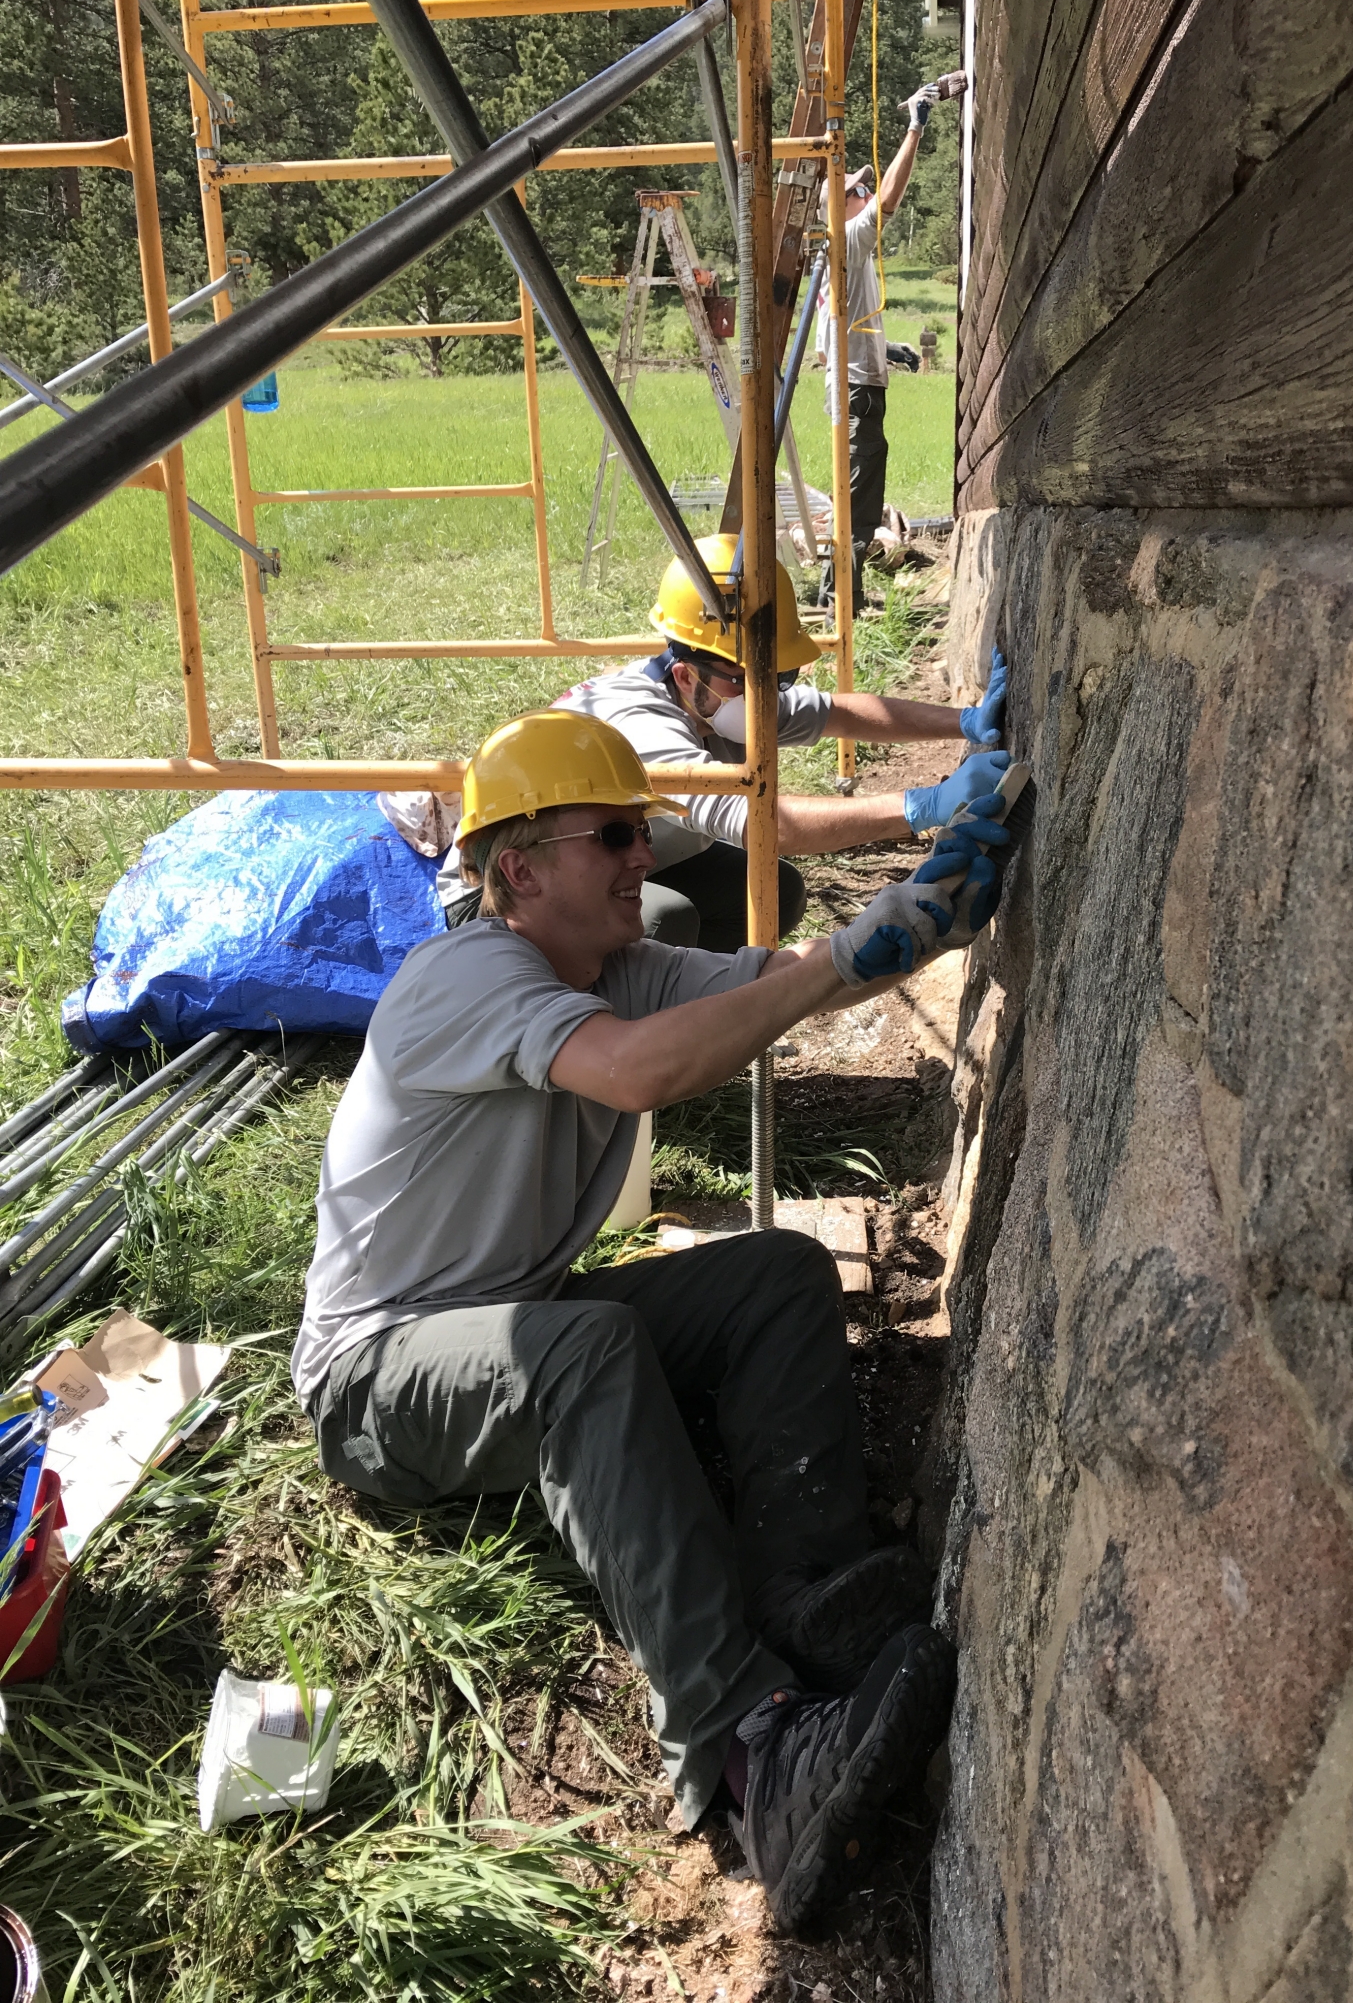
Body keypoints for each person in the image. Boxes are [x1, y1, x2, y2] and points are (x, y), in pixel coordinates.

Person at [294, 707, 1020, 1930]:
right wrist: (853, 956)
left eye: (645, 829)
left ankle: (807, 1588)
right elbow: (640, 1071)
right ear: (517, 870)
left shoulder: (604, 967)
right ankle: (750, 1751)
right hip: (377, 1377)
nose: (647, 854)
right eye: (615, 836)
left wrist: (937, 890)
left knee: (776, 1271)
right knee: (588, 1351)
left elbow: (772, 989)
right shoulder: (464, 975)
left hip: (501, 1317)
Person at [437, 534, 1010, 954]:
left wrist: (963, 721)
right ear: (685, 675)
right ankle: (626, 1068)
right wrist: (924, 805)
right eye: (749, 679)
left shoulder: (725, 692)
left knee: (773, 891)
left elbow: (837, 712)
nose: (766, 695)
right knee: (662, 923)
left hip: (596, 861)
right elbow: (768, 824)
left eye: (776, 678)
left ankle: (680, 1015)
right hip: (506, 899)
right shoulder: (643, 728)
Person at [816, 84, 934, 615]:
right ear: (845, 205)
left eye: (863, 187)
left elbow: (830, 345)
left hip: (855, 384)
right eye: (858, 189)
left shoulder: (842, 256)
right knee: (858, 494)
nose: (867, 194)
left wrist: (886, 350)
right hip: (857, 394)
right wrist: (916, 125)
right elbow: (889, 201)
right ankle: (841, 594)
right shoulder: (847, 238)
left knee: (857, 488)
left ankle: (845, 590)